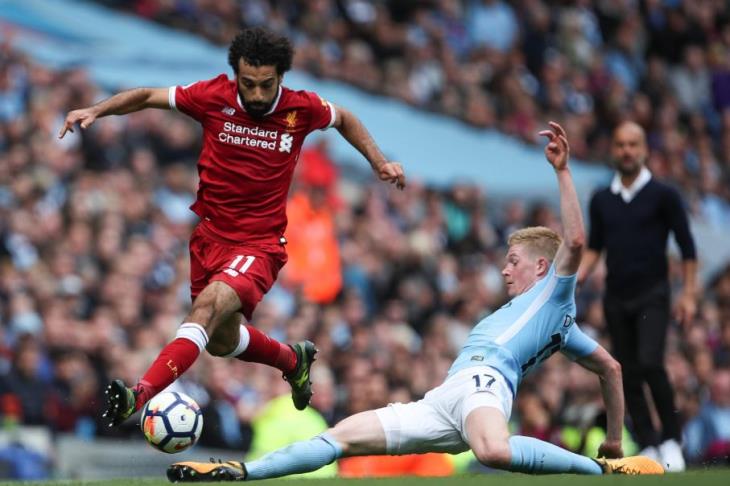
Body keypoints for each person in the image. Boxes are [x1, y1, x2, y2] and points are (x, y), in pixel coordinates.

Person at [166, 122, 664, 482]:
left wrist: (563, 171)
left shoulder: (555, 295)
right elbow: (611, 369)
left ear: (541, 267)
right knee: (340, 437)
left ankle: (599, 471)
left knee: (493, 451)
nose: (504, 269)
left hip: (486, 386)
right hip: (445, 400)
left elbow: (574, 242)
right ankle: (241, 472)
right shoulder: (561, 328)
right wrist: (614, 436)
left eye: (513, 261)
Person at [58, 27, 406, 426]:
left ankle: (140, 395)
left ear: (281, 77)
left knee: (204, 310)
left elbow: (344, 118)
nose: (256, 94)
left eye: (266, 85)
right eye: (248, 83)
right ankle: (292, 361)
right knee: (221, 342)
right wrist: (97, 110)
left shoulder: (301, 108)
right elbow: (148, 96)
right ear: (235, 75)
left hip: (258, 245)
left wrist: (379, 161)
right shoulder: (211, 96)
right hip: (208, 239)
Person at [577, 121, 697, 471]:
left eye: (633, 144)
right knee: (626, 371)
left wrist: (689, 294)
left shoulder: (664, 195)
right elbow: (595, 246)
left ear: (644, 150)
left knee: (650, 362)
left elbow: (687, 248)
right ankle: (648, 442)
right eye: (620, 145)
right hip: (616, 296)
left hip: (653, 293)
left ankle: (672, 438)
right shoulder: (602, 199)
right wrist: (577, 276)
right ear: (612, 150)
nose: (626, 151)